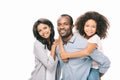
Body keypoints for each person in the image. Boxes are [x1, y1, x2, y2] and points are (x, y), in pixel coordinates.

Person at [56, 14, 110, 80]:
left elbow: (87, 52)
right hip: (87, 66)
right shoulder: (78, 34)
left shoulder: (93, 39)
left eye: (93, 27)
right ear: (83, 26)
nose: (89, 29)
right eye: (87, 26)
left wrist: (99, 75)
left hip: (95, 67)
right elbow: (62, 34)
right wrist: (62, 50)